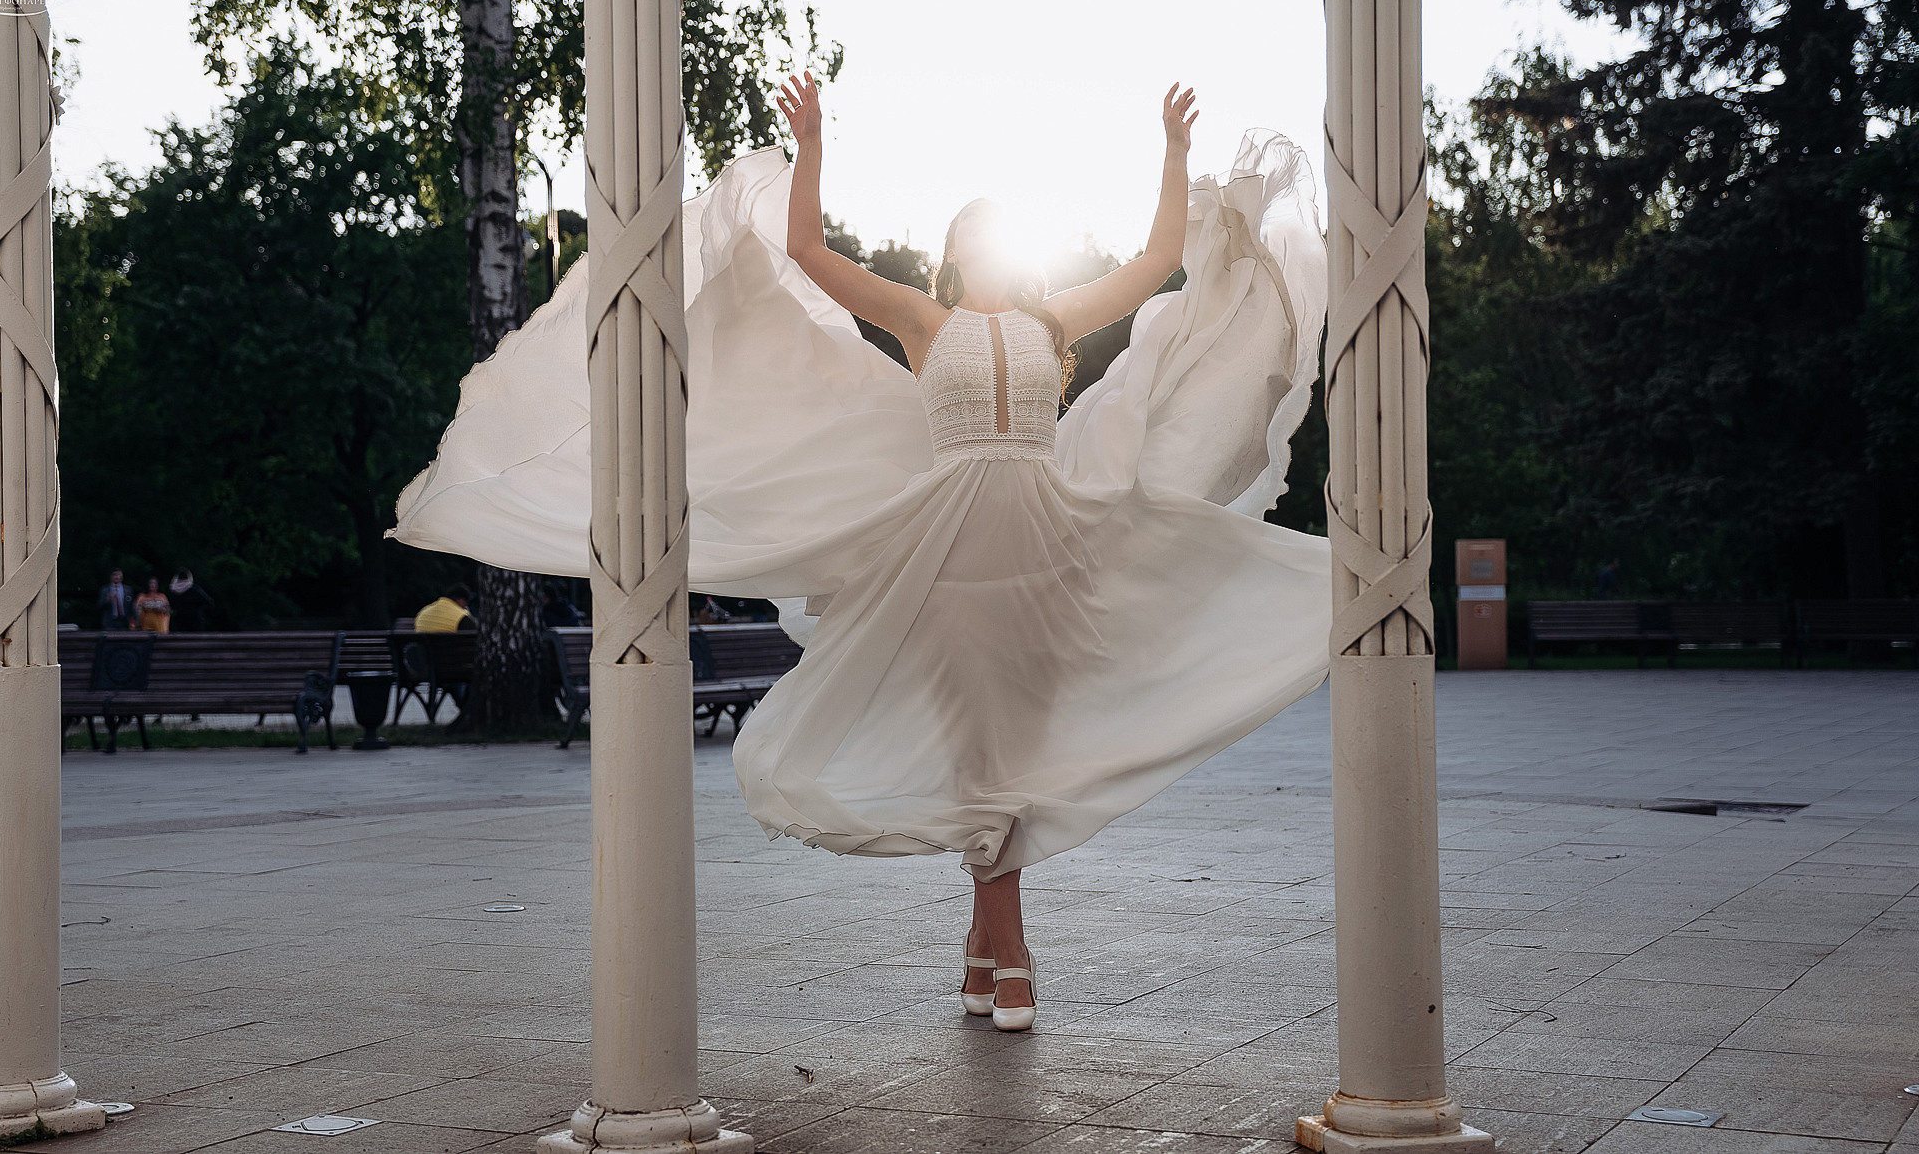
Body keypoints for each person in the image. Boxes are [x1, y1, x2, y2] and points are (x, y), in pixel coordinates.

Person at [392, 73, 1331, 1033]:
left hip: (1050, 545)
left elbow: (1159, 260)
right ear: (952, 254)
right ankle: (1011, 954)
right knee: (987, 751)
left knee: (1010, 747)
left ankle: (978, 947)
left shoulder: (1054, 324)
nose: (984, 240)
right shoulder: (925, 323)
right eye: (969, 229)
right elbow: (805, 250)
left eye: (995, 228)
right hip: (954, 554)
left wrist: (1172, 154)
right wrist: (810, 146)